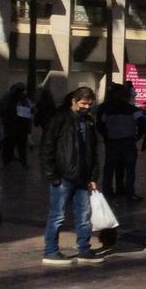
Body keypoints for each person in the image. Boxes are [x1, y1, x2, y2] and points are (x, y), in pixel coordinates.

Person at [41, 87, 104, 265]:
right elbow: (47, 147)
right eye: (83, 104)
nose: (86, 107)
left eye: (90, 104)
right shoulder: (60, 119)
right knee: (57, 216)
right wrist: (52, 174)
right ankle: (50, 251)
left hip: (83, 177)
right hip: (63, 176)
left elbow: (94, 151)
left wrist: (93, 177)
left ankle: (84, 249)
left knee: (84, 215)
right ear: (73, 101)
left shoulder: (89, 122)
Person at [96, 84, 144, 202]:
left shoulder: (105, 109)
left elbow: (100, 125)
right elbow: (142, 123)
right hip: (128, 141)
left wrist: (106, 136)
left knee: (109, 167)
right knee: (129, 168)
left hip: (112, 141)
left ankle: (108, 191)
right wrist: (137, 137)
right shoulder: (132, 109)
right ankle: (129, 192)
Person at [0, 83, 33, 168]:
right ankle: (8, 163)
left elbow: (30, 110)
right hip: (13, 127)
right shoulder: (9, 100)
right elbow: (4, 111)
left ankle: (22, 162)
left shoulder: (24, 100)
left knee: (20, 147)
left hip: (20, 128)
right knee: (10, 147)